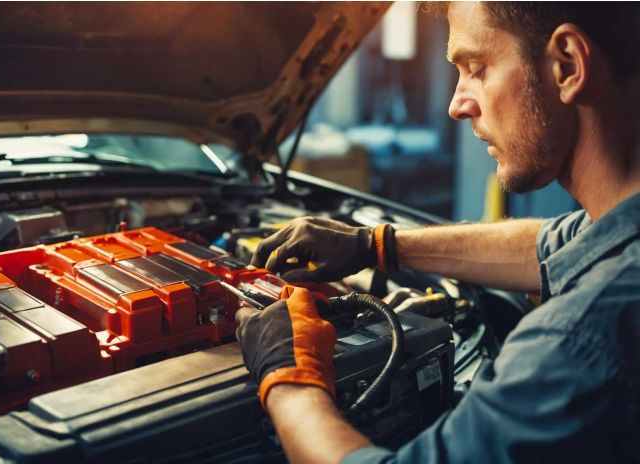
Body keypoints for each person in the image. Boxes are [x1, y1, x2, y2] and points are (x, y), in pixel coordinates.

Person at [235, 2, 640, 463]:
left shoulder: (582, 336)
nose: (456, 104)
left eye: (476, 68)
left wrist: (288, 378)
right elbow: (547, 244)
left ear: (566, 64)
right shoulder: (619, 226)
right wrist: (374, 244)